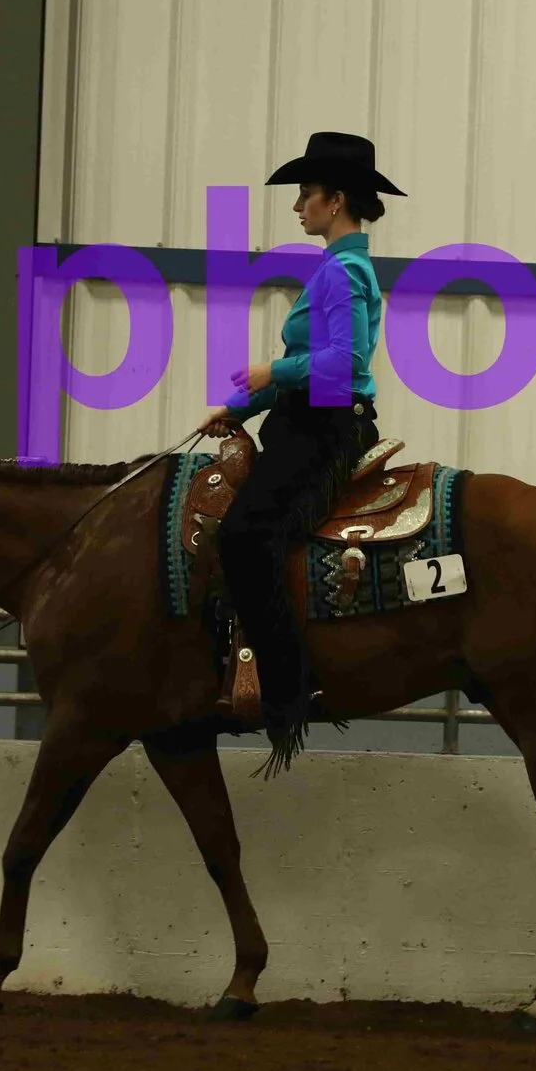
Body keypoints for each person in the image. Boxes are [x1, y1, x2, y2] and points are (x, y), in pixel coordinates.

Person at [199, 131, 400, 771]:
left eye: (305, 194)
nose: (297, 207)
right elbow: (311, 366)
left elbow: (342, 364)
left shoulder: (343, 271)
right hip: (307, 418)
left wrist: (270, 373)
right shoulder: (340, 268)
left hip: (324, 426)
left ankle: (289, 686)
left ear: (335, 200)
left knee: (245, 536)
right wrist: (238, 408)